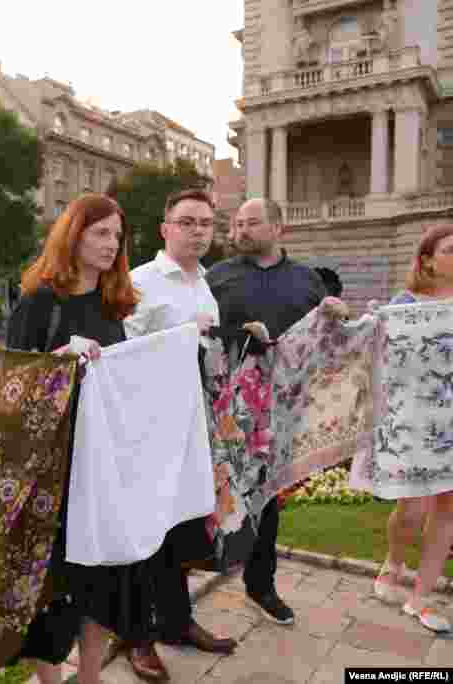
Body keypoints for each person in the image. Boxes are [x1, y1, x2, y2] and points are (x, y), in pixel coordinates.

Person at [6, 194, 166, 683]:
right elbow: (11, 386)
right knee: (52, 587)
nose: (111, 244)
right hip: (53, 472)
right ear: (72, 235)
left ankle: (91, 677)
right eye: (100, 232)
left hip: (104, 468)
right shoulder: (39, 302)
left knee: (103, 583)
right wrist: (58, 361)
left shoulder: (114, 305)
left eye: (117, 236)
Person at [207, 197, 346, 627]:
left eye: (250, 224)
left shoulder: (308, 281)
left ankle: (259, 585)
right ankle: (188, 578)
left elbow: (328, 341)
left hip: (283, 409)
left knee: (267, 499)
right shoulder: (216, 277)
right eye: (237, 225)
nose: (240, 231)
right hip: (224, 409)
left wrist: (338, 315)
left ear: (278, 228)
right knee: (212, 491)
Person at [125, 189, 238, 656]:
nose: (197, 231)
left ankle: (176, 621)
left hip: (194, 425)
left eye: (206, 223)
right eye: (187, 221)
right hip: (149, 426)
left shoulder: (206, 283)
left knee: (182, 528)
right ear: (165, 228)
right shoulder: (140, 281)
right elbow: (122, 352)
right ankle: (136, 635)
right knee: (145, 532)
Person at [372, 223, 453, 633]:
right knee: (412, 507)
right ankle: (394, 563)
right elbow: (383, 361)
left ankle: (421, 596)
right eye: (451, 250)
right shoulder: (405, 303)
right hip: (416, 419)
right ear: (427, 259)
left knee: (448, 509)